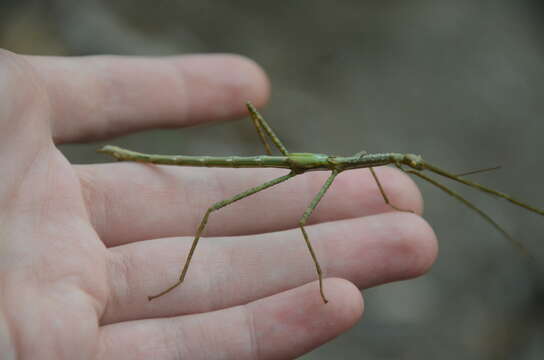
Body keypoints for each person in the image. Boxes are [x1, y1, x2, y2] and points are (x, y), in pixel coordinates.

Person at [0, 49, 437, 359]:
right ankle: (177, 279)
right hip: (282, 163)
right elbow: (306, 220)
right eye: (404, 162)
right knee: (219, 210)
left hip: (295, 163)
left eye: (405, 163)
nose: (405, 164)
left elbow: (366, 164)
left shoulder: (356, 164)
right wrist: (321, 278)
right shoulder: (347, 165)